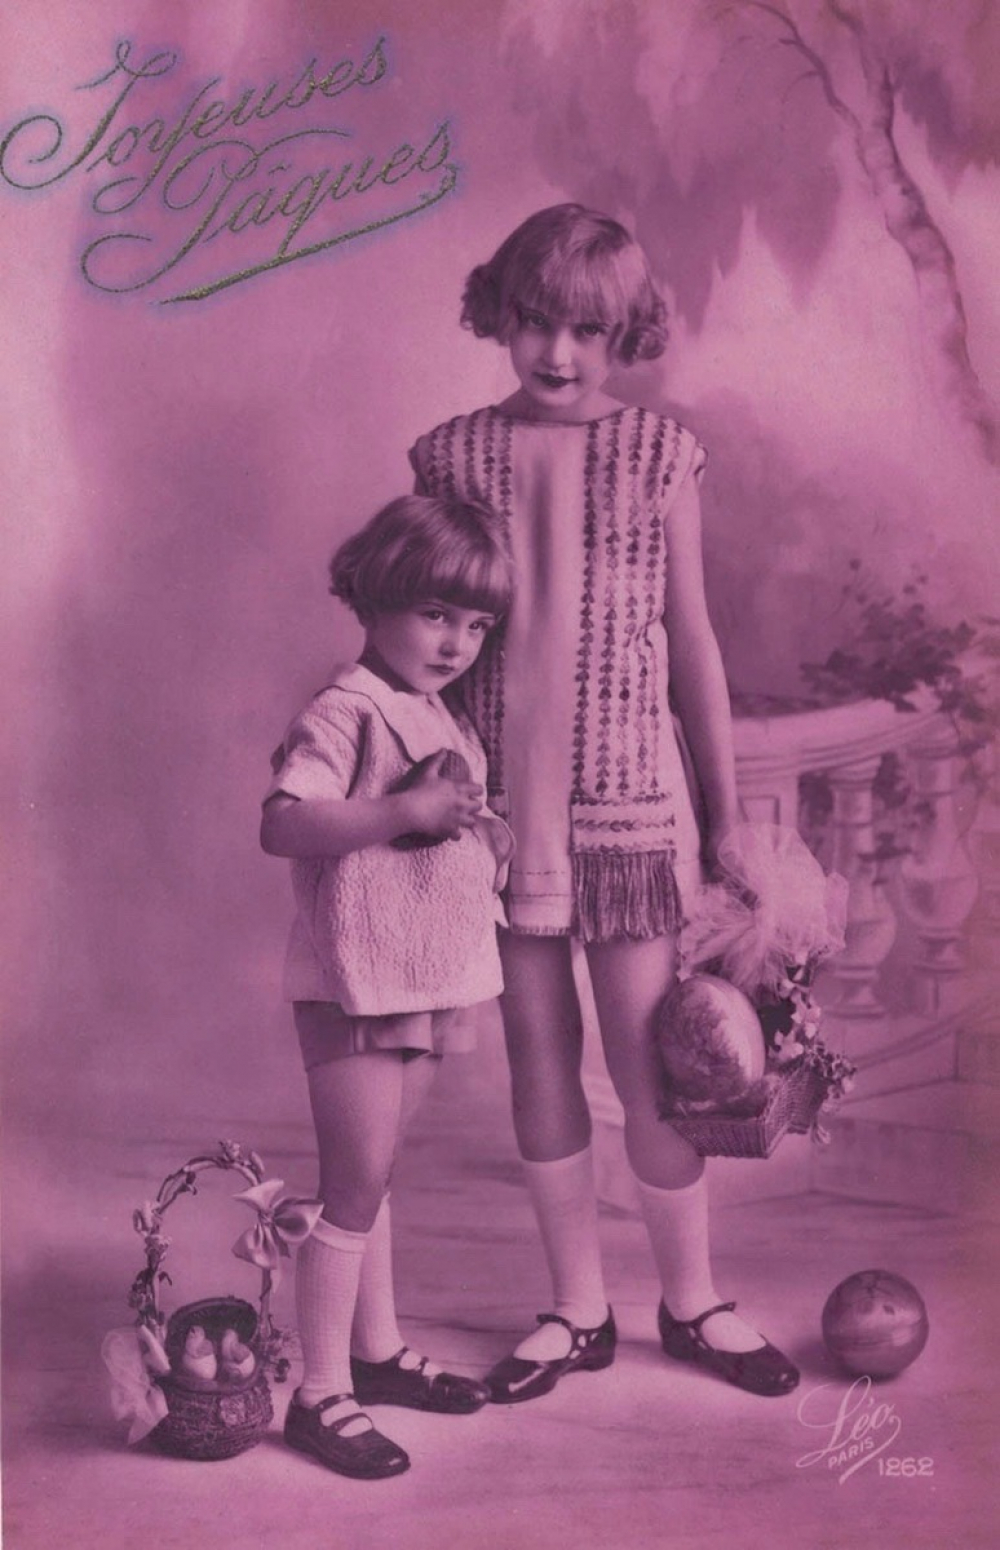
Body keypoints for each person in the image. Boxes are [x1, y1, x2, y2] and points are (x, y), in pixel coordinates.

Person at [409, 204, 799, 1404]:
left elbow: (693, 642)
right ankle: (575, 1307)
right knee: (537, 1061)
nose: (558, 351)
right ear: (500, 315)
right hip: (498, 815)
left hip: (630, 813)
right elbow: (421, 639)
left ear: (626, 332)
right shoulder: (450, 458)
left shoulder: (659, 454)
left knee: (654, 1064)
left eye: (587, 328)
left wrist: (725, 816)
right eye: (536, 321)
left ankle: (692, 1299)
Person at [261, 493, 514, 1478]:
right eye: (436, 613)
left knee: (376, 1176)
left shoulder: (431, 708)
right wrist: (405, 810)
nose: (457, 642)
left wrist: (478, 833)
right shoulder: (346, 708)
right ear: (374, 598)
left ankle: (376, 1352)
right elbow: (285, 822)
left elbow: (439, 824)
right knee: (351, 1185)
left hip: (419, 973)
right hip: (354, 981)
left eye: (476, 624)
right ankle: (320, 1392)